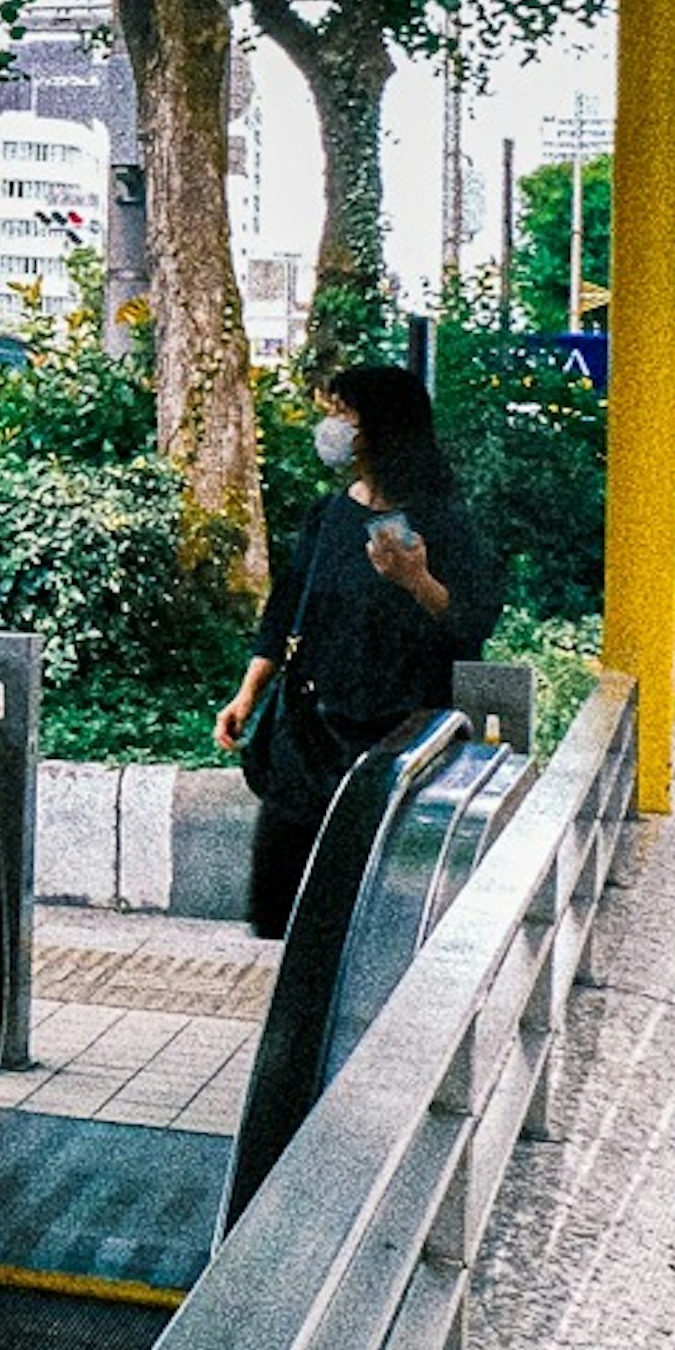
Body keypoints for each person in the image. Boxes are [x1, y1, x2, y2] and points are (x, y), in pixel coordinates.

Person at [215, 361, 505, 941]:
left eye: (343, 413)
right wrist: (249, 691)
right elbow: (288, 608)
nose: (332, 426)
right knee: (279, 904)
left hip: (396, 734)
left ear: (380, 426)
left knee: (364, 912)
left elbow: (471, 622)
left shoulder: (439, 521)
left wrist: (417, 581)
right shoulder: (329, 515)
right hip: (310, 728)